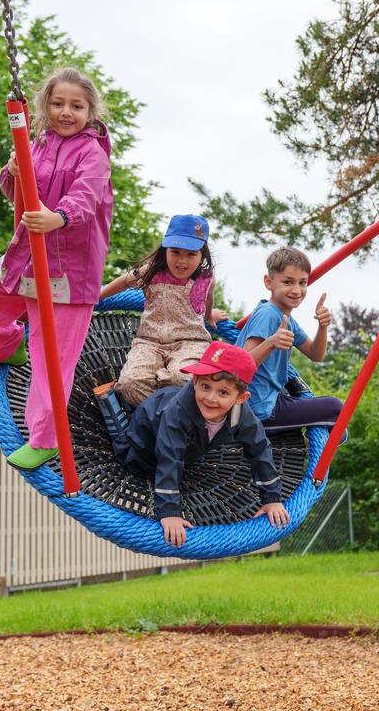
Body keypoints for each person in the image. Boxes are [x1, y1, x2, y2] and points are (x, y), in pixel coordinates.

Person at [0, 67, 114, 471]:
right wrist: (11, 172)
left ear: (91, 111)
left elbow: (86, 198)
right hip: (27, 255)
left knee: (51, 358)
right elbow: (16, 191)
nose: (66, 112)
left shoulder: (93, 153)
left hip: (69, 271)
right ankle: (4, 344)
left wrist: (59, 217)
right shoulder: (37, 144)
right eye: (58, 103)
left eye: (76, 106)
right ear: (45, 107)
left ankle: (47, 439)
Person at [94, 341, 290, 547]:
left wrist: (271, 498)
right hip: (143, 445)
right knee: (127, 452)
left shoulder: (242, 415)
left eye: (223, 392)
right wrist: (170, 512)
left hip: (188, 446)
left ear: (241, 398)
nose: (211, 398)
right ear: (195, 381)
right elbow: (170, 457)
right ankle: (111, 402)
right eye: (206, 387)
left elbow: (260, 449)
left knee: (187, 448)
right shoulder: (178, 414)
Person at [99, 214, 228, 407]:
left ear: (202, 255)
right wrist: (96, 298)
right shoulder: (151, 272)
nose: (182, 261)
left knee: (182, 379)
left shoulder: (205, 279)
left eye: (191, 254)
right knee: (130, 383)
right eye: (175, 252)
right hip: (149, 342)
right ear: (165, 250)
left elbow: (208, 299)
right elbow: (124, 282)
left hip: (190, 342)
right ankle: (158, 416)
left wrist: (209, 316)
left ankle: (164, 415)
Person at [235, 246, 345, 435]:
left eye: (303, 283)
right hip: (257, 410)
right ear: (269, 282)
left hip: (273, 398)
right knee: (335, 407)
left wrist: (323, 326)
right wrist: (270, 343)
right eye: (288, 282)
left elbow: (315, 354)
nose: (297, 290)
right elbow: (239, 366)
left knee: (334, 417)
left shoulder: (286, 318)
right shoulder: (268, 315)